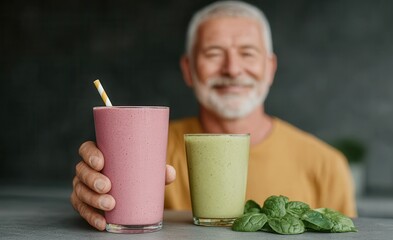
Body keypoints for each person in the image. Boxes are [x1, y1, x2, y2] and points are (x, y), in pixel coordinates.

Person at [71, 1, 357, 231]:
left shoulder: (327, 165)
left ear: (270, 68)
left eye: (247, 53)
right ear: (188, 69)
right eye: (214, 52)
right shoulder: (144, 149)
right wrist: (92, 196)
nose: (232, 69)